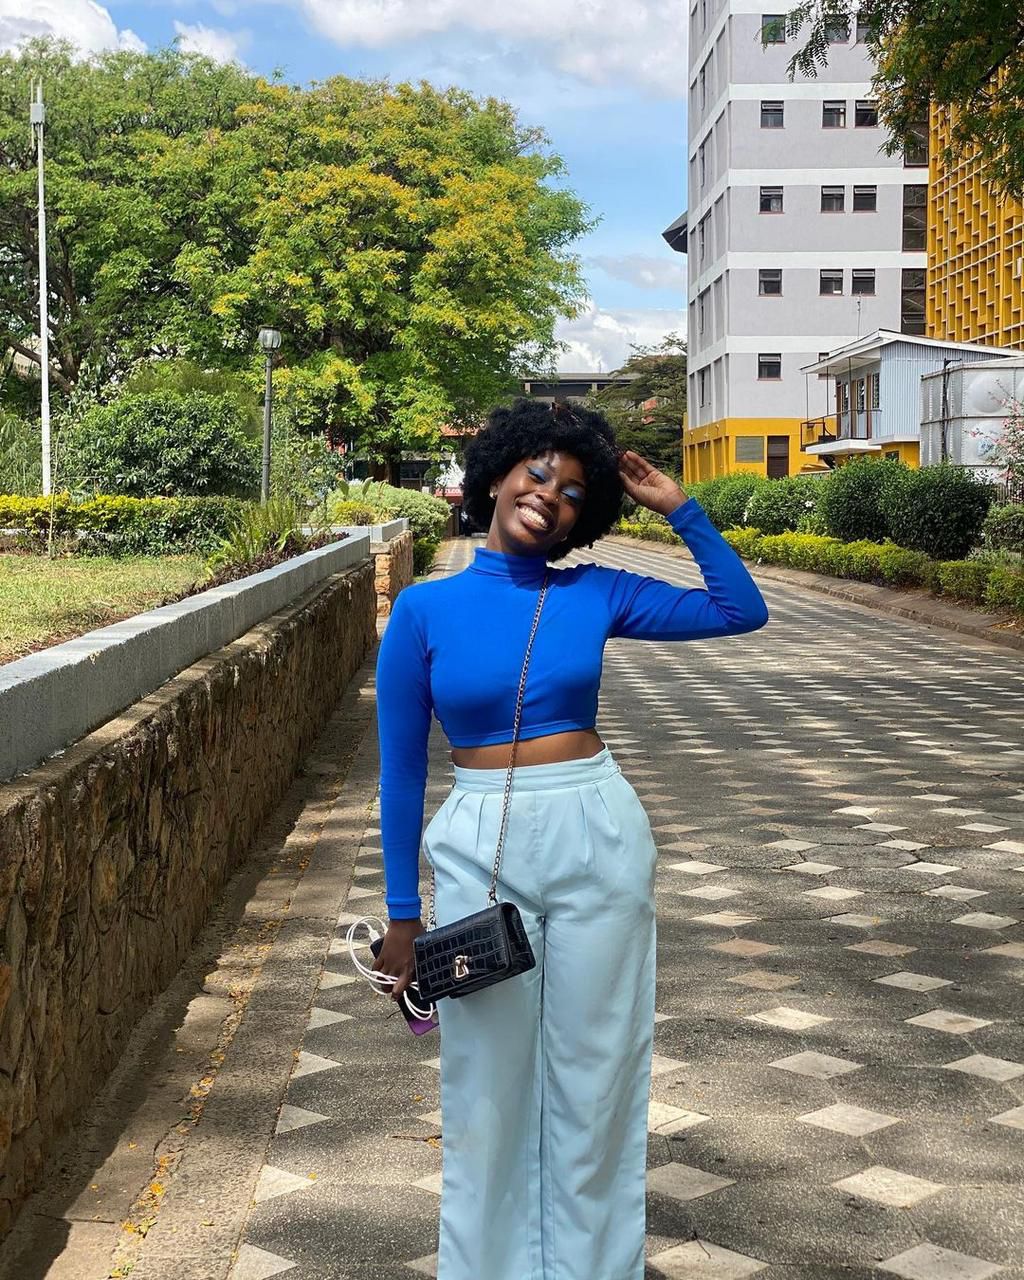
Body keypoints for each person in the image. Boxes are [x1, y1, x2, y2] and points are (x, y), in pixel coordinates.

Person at [372, 398, 769, 1280]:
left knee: (597, 1073)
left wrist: (679, 508)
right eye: (539, 473)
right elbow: (400, 771)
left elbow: (739, 610)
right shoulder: (424, 611)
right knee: (486, 1082)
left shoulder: (593, 592)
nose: (550, 495)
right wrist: (402, 913)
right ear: (497, 475)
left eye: (574, 492)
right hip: (479, 841)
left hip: (596, 830)